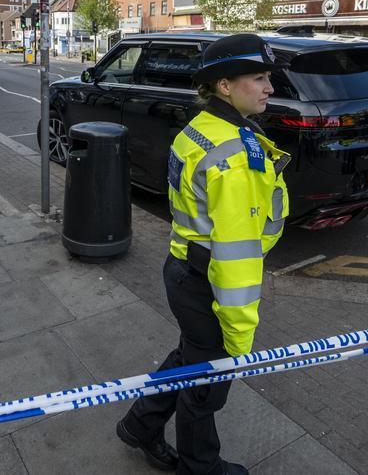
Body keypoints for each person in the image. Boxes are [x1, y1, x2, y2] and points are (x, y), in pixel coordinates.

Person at [117, 33, 290, 475]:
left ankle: (140, 426)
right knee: (206, 384)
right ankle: (200, 467)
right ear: (225, 86)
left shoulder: (201, 128)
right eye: (259, 77)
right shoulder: (235, 159)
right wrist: (239, 336)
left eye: (268, 76)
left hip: (184, 270)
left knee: (189, 359)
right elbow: (237, 258)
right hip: (208, 282)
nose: (270, 87)